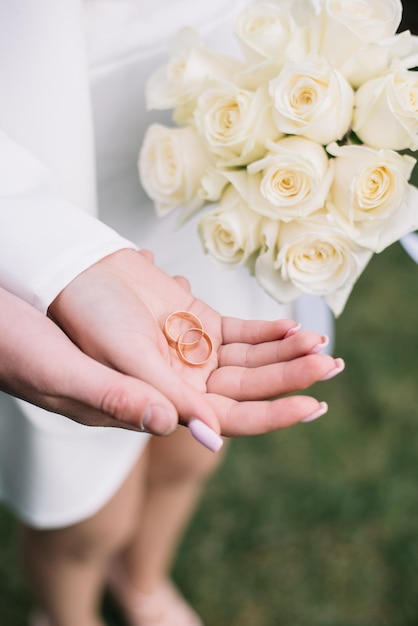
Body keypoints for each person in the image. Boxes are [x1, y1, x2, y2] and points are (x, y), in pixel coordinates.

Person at [0, 2, 342, 625]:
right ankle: (69, 614)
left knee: (192, 453)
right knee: (88, 515)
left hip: (229, 148)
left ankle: (144, 579)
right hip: (49, 140)